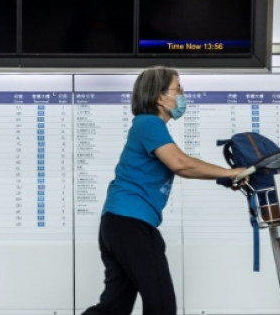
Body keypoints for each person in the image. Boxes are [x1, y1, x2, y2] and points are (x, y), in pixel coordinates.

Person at [82, 66, 247, 315]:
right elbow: (180, 163)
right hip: (130, 223)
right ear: (160, 97)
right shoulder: (149, 124)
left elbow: (184, 164)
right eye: (178, 89)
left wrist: (223, 177)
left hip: (118, 223)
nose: (182, 95)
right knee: (161, 305)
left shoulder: (147, 126)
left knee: (113, 308)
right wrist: (228, 172)